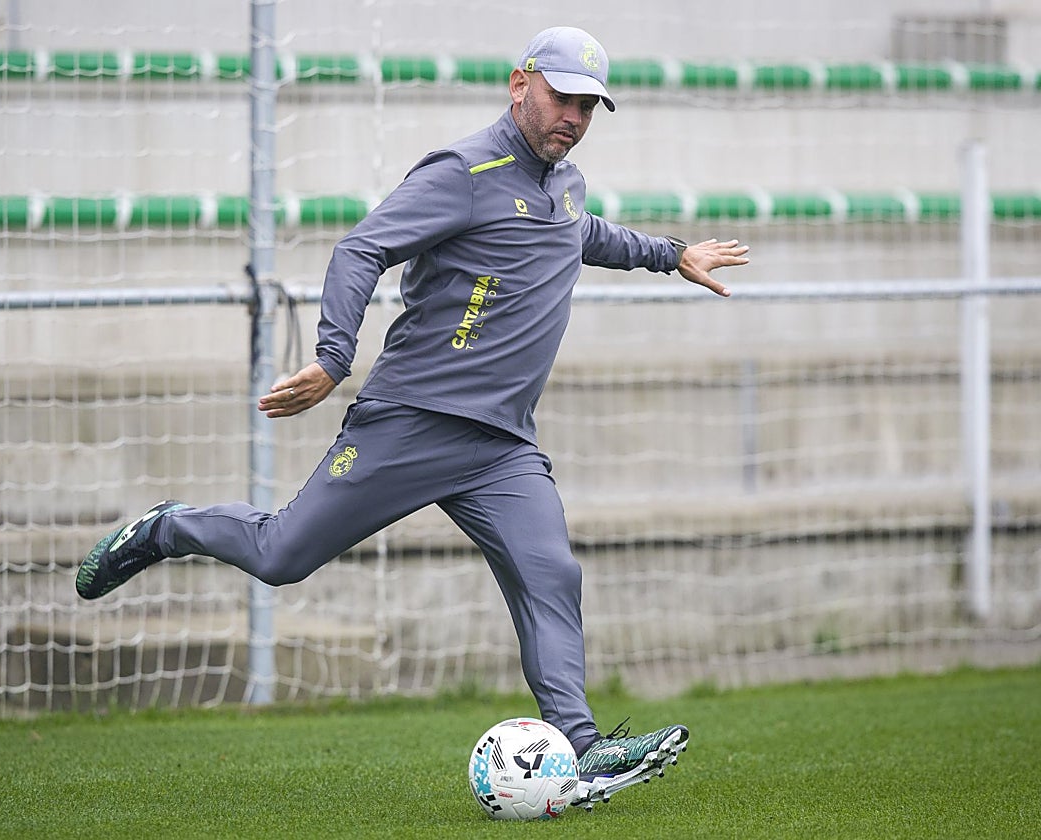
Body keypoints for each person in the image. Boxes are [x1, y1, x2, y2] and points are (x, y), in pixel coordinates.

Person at [77, 25, 748, 807]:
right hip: (409, 420)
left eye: (589, 106)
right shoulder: (462, 171)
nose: (573, 115)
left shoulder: (567, 184)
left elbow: (580, 236)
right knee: (283, 555)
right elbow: (360, 249)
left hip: (501, 446)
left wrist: (671, 255)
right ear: (519, 83)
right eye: (562, 96)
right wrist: (332, 358)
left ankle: (585, 745)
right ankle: (167, 528)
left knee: (551, 572)